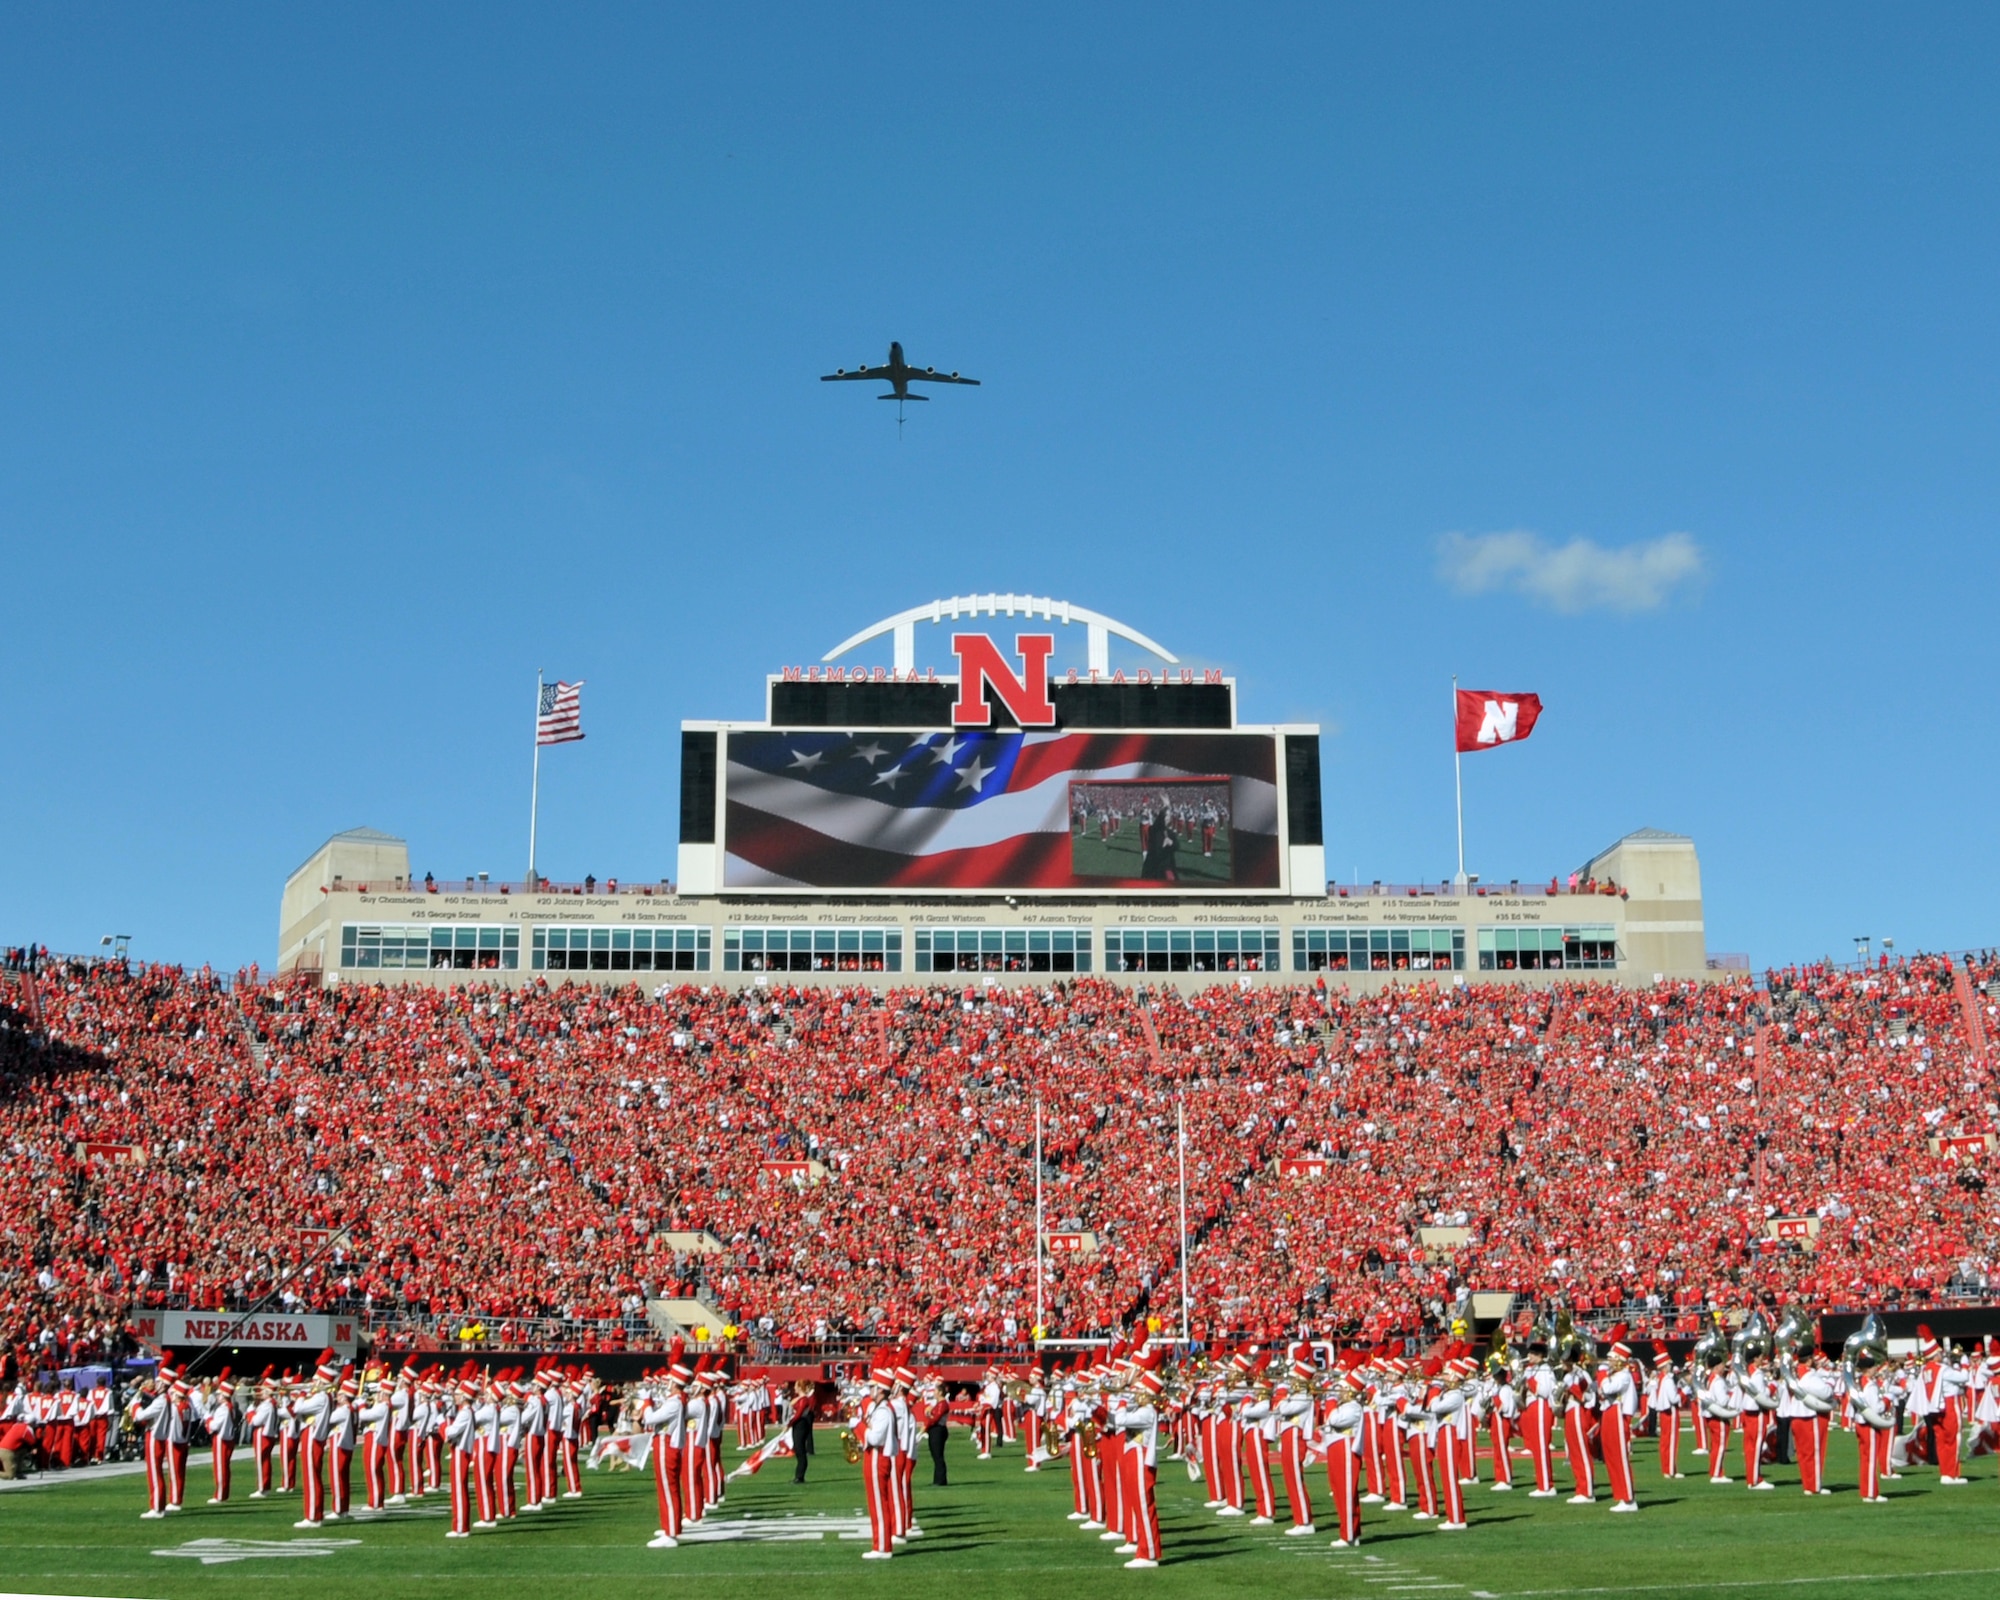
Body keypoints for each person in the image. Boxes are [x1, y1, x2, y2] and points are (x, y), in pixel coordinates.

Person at [788, 1378, 817, 1484]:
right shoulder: (801, 1398)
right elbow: (791, 1403)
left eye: (796, 1386)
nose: (794, 1388)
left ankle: (800, 1476)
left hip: (801, 1423)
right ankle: (798, 1476)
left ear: (800, 1387)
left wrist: (789, 1424)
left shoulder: (804, 1400)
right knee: (797, 1448)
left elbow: (799, 1413)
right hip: (797, 1424)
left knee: (800, 1450)